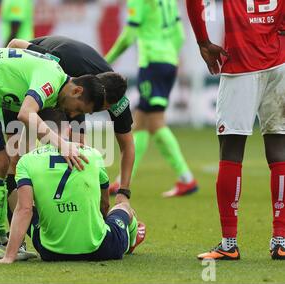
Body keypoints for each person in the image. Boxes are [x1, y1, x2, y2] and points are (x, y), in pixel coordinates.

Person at [0, 47, 107, 260]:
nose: (73, 114)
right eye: (79, 109)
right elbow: (25, 114)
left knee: (4, 162)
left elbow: (30, 123)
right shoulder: (50, 80)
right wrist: (61, 145)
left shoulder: (54, 84)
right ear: (77, 91)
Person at [186, 0, 285, 260]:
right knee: (279, 149)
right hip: (279, 62)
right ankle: (281, 240)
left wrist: (203, 42)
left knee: (230, 151)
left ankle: (229, 244)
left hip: (242, 63)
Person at [0, 108, 145, 264]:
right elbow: (104, 205)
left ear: (38, 132)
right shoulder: (93, 154)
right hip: (101, 249)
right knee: (123, 207)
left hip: (50, 252)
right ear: (69, 129)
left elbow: (24, 210)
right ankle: (131, 240)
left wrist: (8, 257)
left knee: (17, 197)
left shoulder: (26, 161)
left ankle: (16, 245)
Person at [6, 36, 134, 220]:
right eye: (92, 109)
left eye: (95, 111)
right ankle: (14, 234)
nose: (91, 114)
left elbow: (127, 145)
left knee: (78, 151)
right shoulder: (63, 61)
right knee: (15, 158)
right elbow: (15, 44)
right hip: (27, 88)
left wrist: (123, 192)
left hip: (70, 94)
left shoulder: (116, 100)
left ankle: (71, 213)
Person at [105, 0, 198, 198]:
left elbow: (129, 36)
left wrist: (106, 61)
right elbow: (180, 34)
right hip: (168, 61)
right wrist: (171, 55)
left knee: (154, 122)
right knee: (141, 123)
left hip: (152, 62)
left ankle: (186, 178)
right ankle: (122, 180)